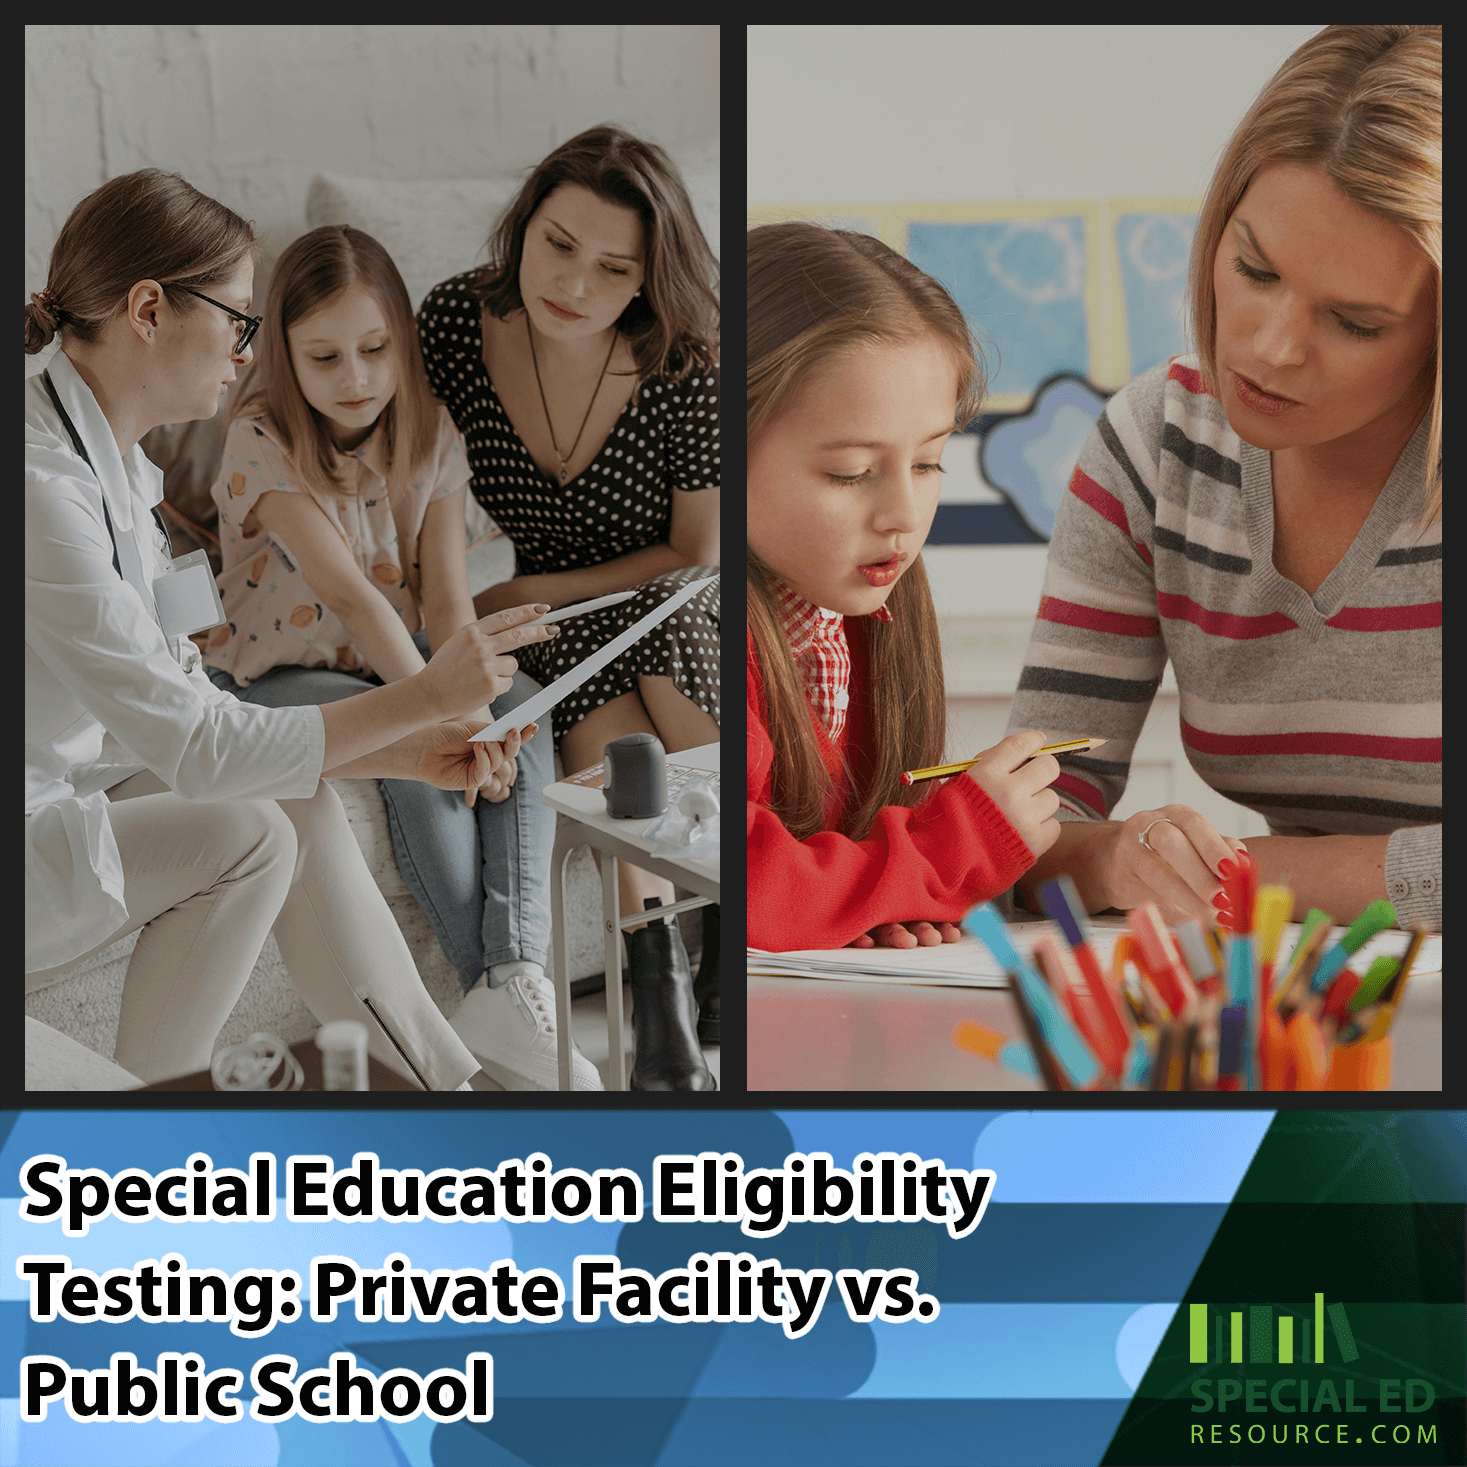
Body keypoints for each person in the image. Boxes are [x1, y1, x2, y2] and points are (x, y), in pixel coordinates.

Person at [25, 168, 559, 1090]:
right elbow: (199, 745)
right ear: (148, 309)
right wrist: (426, 695)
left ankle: (450, 1089)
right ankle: (157, 1120)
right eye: (239, 319)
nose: (244, 350)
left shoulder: (117, 458)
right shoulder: (43, 490)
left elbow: (188, 701)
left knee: (294, 804)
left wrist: (412, 748)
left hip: (76, 771)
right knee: (252, 835)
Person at [1006, 25, 1441, 933]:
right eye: (1253, 268)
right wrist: (1115, 855)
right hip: (1308, 986)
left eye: (1355, 322)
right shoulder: (1155, 445)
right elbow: (1034, 817)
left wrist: (1247, 872)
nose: (1270, 349)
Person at [201, 224, 600, 1092]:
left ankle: (512, 975)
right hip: (280, 670)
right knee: (418, 754)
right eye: (325, 357)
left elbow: (450, 602)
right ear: (285, 357)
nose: (356, 379)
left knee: (521, 704)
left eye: (375, 350)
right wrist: (443, 710)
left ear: (403, 344)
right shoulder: (259, 438)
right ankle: (479, 979)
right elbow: (350, 595)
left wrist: (482, 710)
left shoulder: (431, 433)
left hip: (402, 649)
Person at [417, 125, 721, 1090]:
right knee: (595, 707)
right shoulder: (454, 324)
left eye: (612, 266)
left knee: (655, 635)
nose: (574, 284)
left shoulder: (688, 359)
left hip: (670, 592)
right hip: (560, 627)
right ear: (524, 226)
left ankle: (704, 943)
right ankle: (666, 990)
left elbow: (696, 552)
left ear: (648, 277)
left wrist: (516, 594)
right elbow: (419, 491)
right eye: (557, 244)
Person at [746, 222, 1064, 953]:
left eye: (927, 464)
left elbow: (830, 871)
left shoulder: (864, 617)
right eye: (850, 472)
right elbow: (748, 882)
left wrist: (883, 897)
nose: (903, 515)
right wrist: (949, 851)